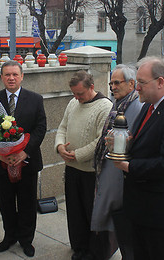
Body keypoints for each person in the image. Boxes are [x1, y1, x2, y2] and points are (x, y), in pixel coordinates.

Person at [0, 60, 46, 257]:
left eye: (15, 75)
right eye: (7, 75)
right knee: (6, 203)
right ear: (1, 77)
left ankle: (26, 240)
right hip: (1, 164)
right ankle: (9, 237)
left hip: (27, 162)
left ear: (22, 76)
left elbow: (40, 128)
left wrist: (24, 152)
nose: (11, 78)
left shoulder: (35, 99)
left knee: (27, 203)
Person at [54, 70, 113, 260]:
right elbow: (62, 127)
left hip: (90, 172)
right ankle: (79, 246)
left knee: (91, 213)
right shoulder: (73, 103)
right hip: (72, 169)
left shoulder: (105, 106)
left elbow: (101, 140)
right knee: (75, 211)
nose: (77, 98)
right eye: (74, 94)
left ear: (92, 87)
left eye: (80, 94)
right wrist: (59, 146)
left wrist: (77, 155)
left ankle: (95, 252)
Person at [113, 56, 164, 260]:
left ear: (161, 82)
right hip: (138, 205)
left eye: (142, 83)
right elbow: (143, 143)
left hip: (156, 211)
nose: (137, 88)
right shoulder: (148, 106)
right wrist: (121, 144)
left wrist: (128, 166)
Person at [92, 64, 143, 260]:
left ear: (131, 84)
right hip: (111, 173)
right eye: (111, 83)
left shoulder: (136, 107)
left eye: (117, 82)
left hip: (122, 178)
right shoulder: (118, 104)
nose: (112, 87)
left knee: (123, 227)